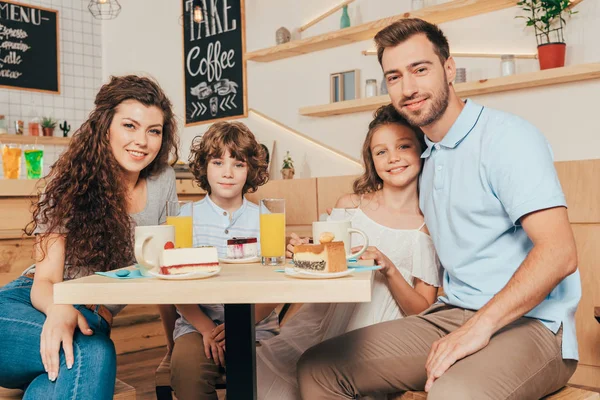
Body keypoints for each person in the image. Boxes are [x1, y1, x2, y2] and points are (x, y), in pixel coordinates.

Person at [297, 18, 580, 400]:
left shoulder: (507, 138)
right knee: (319, 369)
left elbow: (559, 253)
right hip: (451, 315)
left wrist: (479, 327)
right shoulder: (426, 161)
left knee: (452, 395)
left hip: (534, 325)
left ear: (449, 69)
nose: (408, 87)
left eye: (420, 69)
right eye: (394, 77)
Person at [0, 75, 180, 399]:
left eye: (153, 131)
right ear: (105, 125)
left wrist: (174, 346)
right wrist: (59, 308)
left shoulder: (163, 182)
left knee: (81, 360)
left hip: (92, 322)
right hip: (30, 305)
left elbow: (165, 270)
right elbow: (45, 280)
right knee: (89, 354)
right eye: (130, 125)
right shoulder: (70, 179)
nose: (142, 140)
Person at [256, 104, 442, 400]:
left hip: (378, 342)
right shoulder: (350, 206)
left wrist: (390, 269)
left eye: (403, 146)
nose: (393, 158)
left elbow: (421, 310)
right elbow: (324, 264)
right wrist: (304, 253)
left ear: (421, 150)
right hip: (324, 326)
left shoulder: (429, 227)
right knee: (265, 379)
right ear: (372, 160)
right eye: (381, 152)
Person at [169, 121, 280, 400]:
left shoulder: (267, 220)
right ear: (204, 167)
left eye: (238, 164)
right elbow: (175, 286)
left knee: (268, 382)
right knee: (187, 373)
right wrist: (207, 328)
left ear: (250, 170)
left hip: (257, 330)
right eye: (218, 162)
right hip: (197, 326)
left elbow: (275, 287)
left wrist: (239, 325)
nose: (228, 173)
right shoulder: (184, 218)